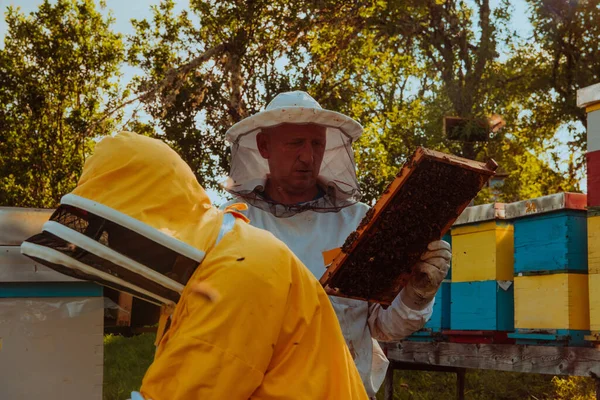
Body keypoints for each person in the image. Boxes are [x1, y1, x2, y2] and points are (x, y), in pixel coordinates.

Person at [21, 131, 368, 400]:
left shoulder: (239, 272)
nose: (118, 247)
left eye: (117, 233)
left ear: (152, 216)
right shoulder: (221, 260)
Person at [222, 91, 452, 397]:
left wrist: (418, 295)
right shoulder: (234, 224)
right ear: (264, 146)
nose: (308, 156)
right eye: (295, 143)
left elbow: (383, 326)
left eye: (317, 143)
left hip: (345, 389)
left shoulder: (359, 222)